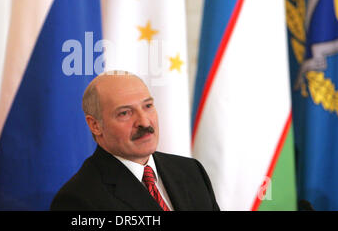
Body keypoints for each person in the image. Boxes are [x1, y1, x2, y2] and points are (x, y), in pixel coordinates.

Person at [50, 71, 219, 211]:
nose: (145, 122)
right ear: (95, 125)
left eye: (148, 106)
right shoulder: (78, 200)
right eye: (125, 113)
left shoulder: (190, 170)